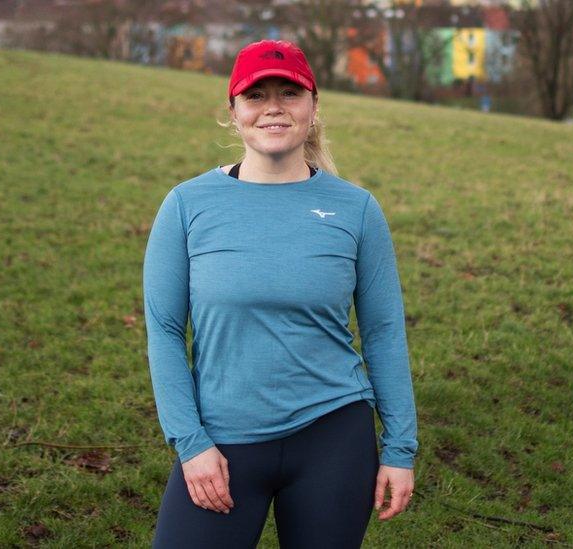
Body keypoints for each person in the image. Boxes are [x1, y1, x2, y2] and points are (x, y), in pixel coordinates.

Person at [143, 39, 419, 548]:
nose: (273, 107)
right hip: (221, 440)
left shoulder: (355, 210)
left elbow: (382, 332)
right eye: (256, 95)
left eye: (289, 93)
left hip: (332, 437)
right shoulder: (186, 205)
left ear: (313, 108)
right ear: (234, 112)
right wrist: (191, 443)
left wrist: (400, 449)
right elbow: (163, 332)